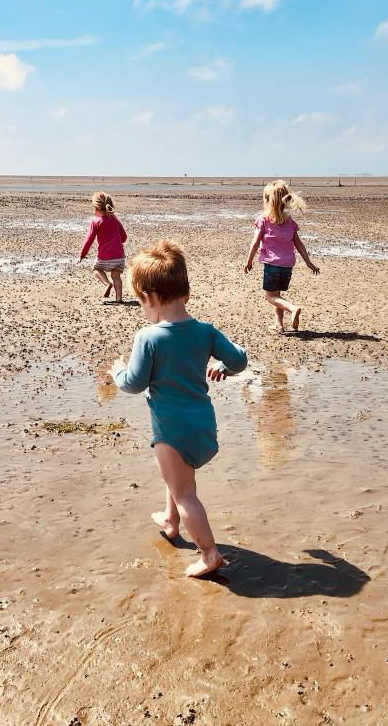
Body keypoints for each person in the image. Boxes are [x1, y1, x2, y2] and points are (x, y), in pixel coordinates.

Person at [110, 240, 248, 577]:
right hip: (202, 426)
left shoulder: (149, 337)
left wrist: (116, 370)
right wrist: (222, 368)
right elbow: (240, 361)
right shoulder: (206, 331)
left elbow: (134, 383)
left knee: (186, 493)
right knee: (179, 479)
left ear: (150, 297)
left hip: (171, 431)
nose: (142, 309)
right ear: (184, 291)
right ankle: (171, 521)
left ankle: (209, 553)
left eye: (141, 302)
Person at [243, 179, 320, 333]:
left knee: (270, 297)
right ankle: (279, 324)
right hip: (287, 266)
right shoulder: (289, 222)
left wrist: (248, 261)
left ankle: (293, 308)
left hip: (272, 265)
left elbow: (255, 242)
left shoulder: (263, 220)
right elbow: (299, 244)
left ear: (267, 200)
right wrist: (308, 262)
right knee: (277, 296)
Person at [78, 191, 127, 303]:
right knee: (116, 276)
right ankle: (119, 299)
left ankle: (107, 284)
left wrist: (82, 254)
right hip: (119, 257)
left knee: (96, 269)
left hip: (104, 257)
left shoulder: (95, 222)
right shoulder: (115, 219)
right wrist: (119, 242)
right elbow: (124, 237)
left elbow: (88, 240)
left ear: (96, 208)